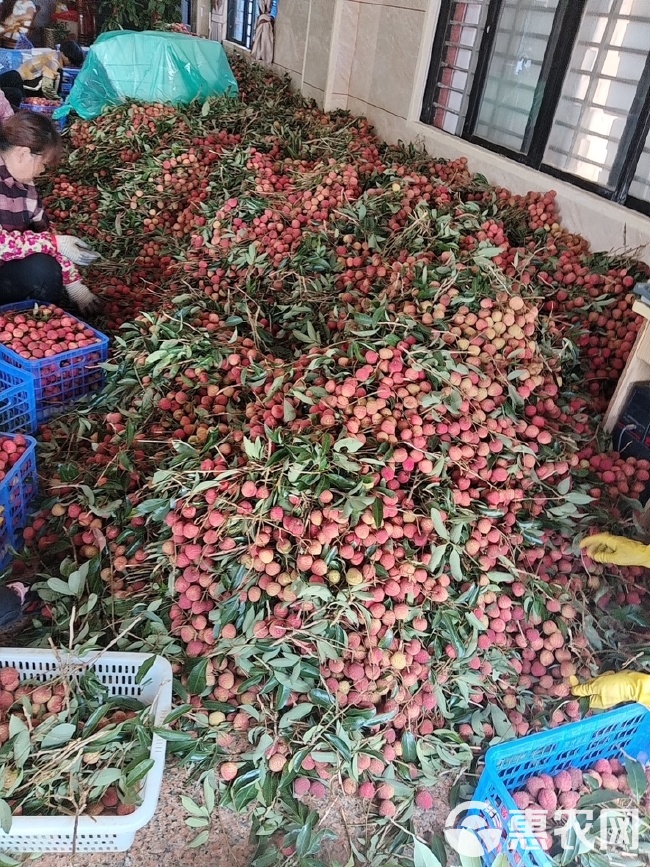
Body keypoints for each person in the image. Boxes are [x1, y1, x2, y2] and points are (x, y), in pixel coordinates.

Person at [0, 111, 99, 311]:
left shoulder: (26, 189)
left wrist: (74, 285)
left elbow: (44, 238)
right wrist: (54, 243)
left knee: (44, 269)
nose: (42, 171)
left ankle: (32, 326)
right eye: (43, 164)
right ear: (23, 154)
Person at [19, 38, 84, 98]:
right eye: (70, 61)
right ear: (63, 54)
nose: (70, 64)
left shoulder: (55, 55)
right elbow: (47, 87)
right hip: (25, 84)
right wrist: (57, 100)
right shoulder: (52, 61)